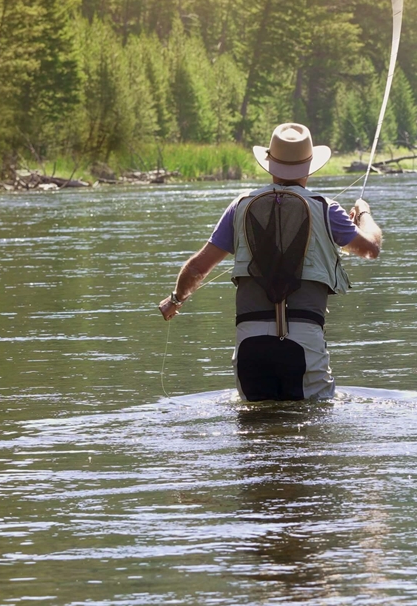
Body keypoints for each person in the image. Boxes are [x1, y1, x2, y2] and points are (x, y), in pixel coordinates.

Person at [158, 123, 382, 401]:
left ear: (270, 164)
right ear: (309, 166)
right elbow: (370, 248)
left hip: (250, 341)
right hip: (304, 340)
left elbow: (196, 268)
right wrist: (363, 214)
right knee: (312, 430)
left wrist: (175, 301)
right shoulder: (327, 209)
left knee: (255, 434)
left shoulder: (239, 206)